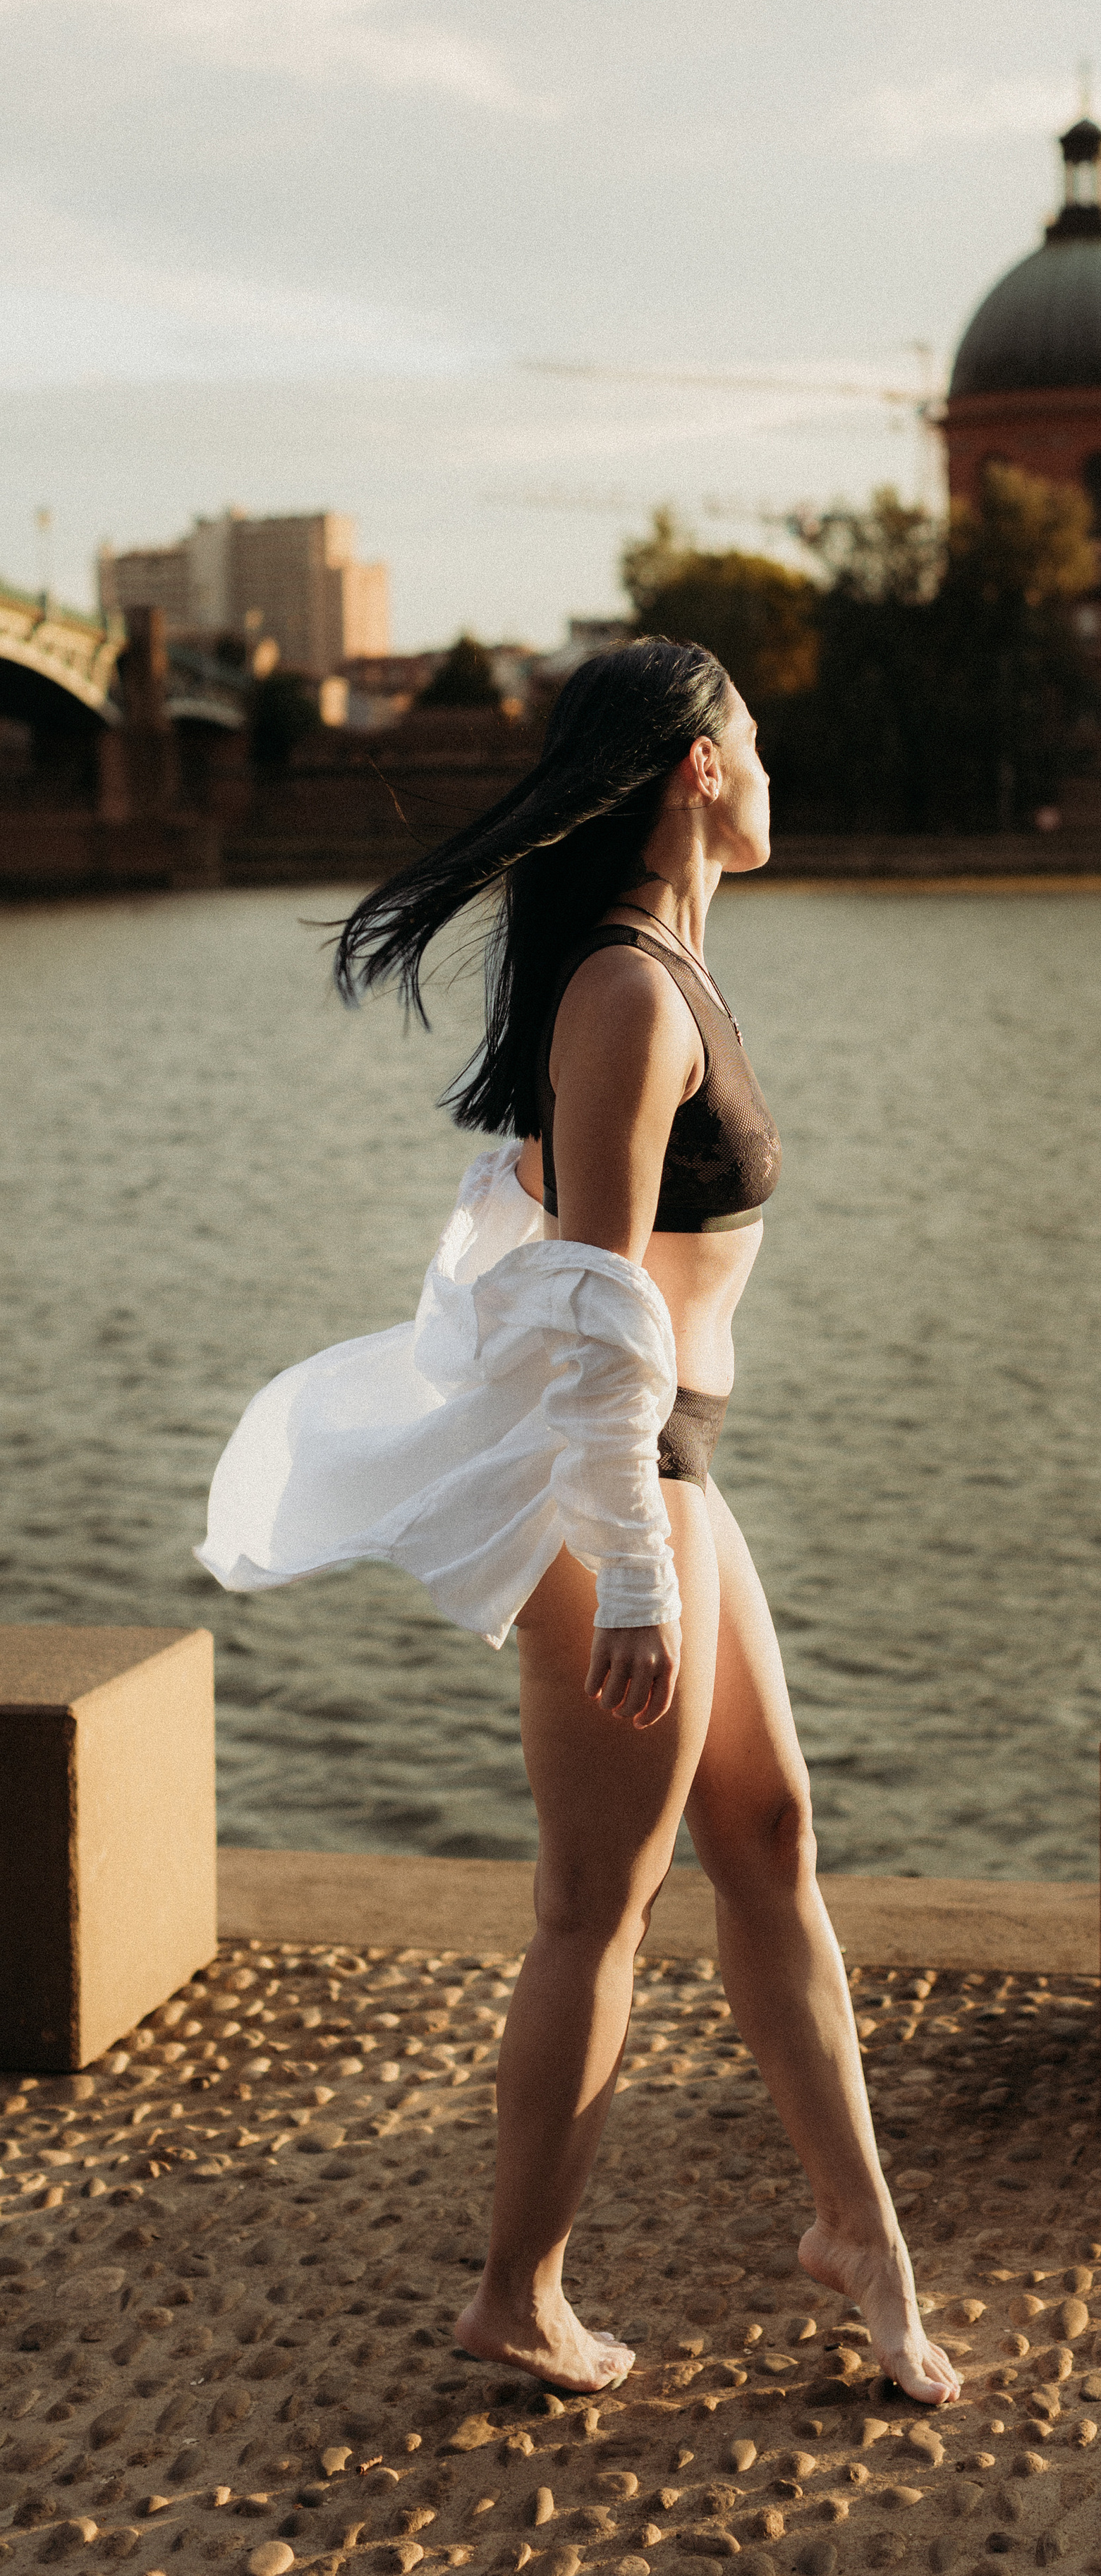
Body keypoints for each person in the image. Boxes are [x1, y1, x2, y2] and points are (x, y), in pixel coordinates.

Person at [197, 638, 960, 2407]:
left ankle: (859, 2239)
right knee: (590, 1911)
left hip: (667, 1470)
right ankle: (515, 2296)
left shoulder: (673, 967)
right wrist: (629, 1571)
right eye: (756, 740)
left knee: (766, 1835)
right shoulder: (624, 989)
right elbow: (596, 1295)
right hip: (623, 1484)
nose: (777, 769)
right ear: (698, 765)